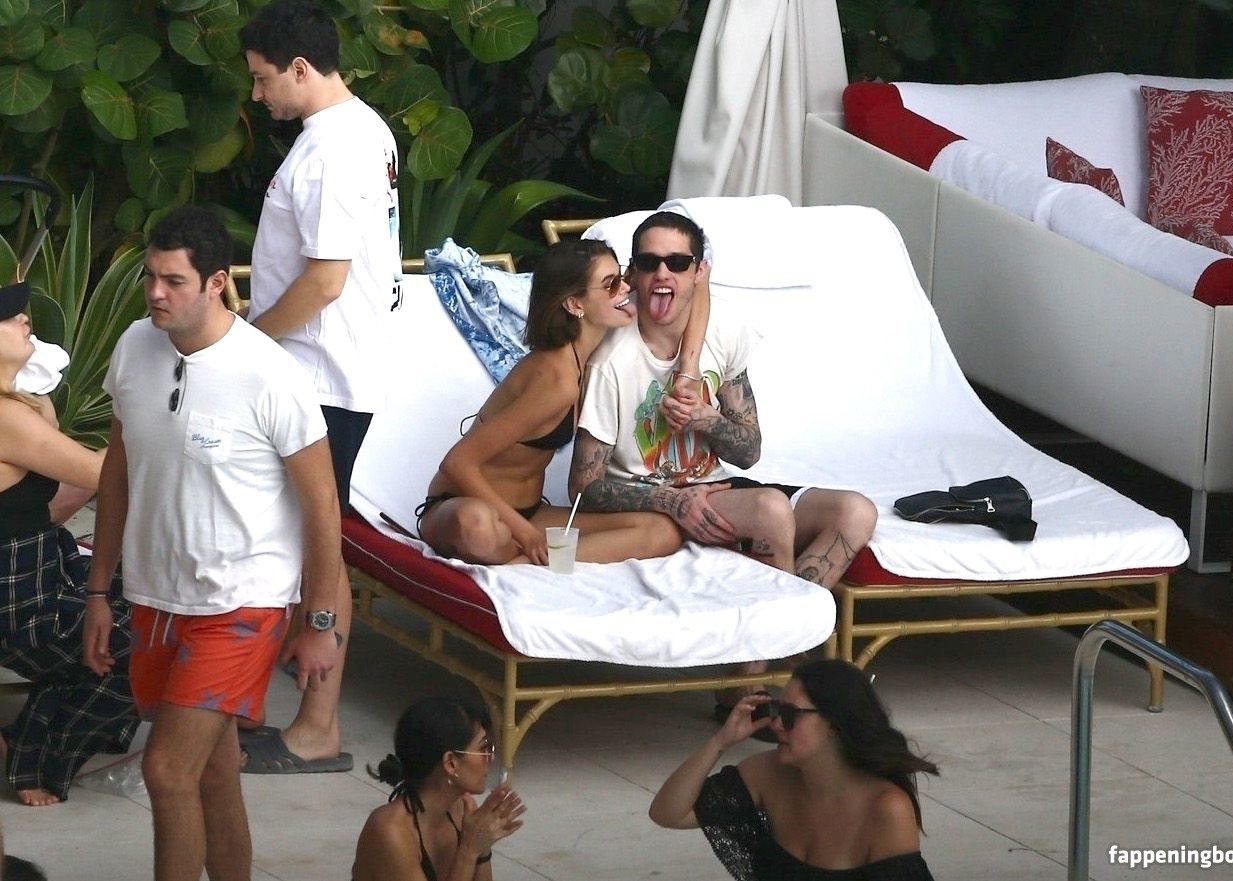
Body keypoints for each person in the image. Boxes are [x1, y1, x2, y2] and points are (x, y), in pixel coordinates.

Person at [82, 206, 343, 881]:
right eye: (149, 277)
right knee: (213, 770)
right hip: (156, 596)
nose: (155, 293)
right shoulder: (134, 346)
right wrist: (99, 590)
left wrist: (319, 623)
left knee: (167, 769)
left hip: (242, 602)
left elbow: (322, 506)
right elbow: (117, 471)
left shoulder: (269, 373)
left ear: (216, 282)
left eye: (173, 281)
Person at [568, 211, 878, 716]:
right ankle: (751, 694)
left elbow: (749, 450)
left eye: (677, 262)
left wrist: (707, 420)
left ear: (697, 272)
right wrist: (669, 500)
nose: (663, 273)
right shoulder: (612, 361)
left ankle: (767, 656)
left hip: (719, 487)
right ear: (633, 273)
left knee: (855, 513)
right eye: (649, 262)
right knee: (771, 512)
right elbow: (584, 487)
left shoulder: (723, 330)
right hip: (650, 500)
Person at [239, 0, 400, 774]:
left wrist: (247, 338)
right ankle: (296, 711)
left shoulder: (335, 149)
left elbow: (325, 281)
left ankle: (317, 728)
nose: (257, 95)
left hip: (322, 376)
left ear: (300, 69)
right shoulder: (358, 129)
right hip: (324, 370)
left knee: (319, 542)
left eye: (263, 79)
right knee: (308, 539)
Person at [417, 238, 692, 566]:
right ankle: (533, 556)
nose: (624, 289)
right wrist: (527, 535)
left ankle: (524, 563)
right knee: (477, 528)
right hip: (461, 507)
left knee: (661, 531)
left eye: (623, 277)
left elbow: (698, 283)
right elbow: (457, 463)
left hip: (530, 513)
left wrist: (689, 368)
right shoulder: (555, 379)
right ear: (574, 304)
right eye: (610, 284)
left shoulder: (590, 361)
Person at [0, 280, 139, 806]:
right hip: (16, 605)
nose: (24, 320)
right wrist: (145, 417)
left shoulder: (17, 405)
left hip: (37, 576)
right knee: (141, 642)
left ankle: (78, 723)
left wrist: (39, 397)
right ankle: (34, 756)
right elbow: (104, 474)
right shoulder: (6, 417)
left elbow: (51, 497)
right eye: (9, 317)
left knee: (150, 598)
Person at [649, 659, 938, 881]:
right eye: (776, 710)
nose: (776, 724)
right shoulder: (769, 773)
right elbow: (668, 813)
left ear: (833, 724)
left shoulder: (886, 809)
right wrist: (719, 742)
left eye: (790, 715)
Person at [353, 696, 524, 881]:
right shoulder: (389, 832)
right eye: (484, 748)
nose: (490, 757)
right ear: (450, 763)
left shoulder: (461, 809)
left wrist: (483, 847)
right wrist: (469, 849)